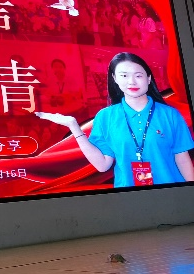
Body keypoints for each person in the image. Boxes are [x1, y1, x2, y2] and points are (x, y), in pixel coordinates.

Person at [36, 52, 194, 187]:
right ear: (115, 79)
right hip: (128, 199)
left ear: (148, 78)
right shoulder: (105, 117)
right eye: (124, 75)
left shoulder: (170, 114)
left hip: (171, 194)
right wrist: (74, 127)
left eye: (138, 75)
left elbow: (182, 160)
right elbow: (102, 165)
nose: (131, 81)